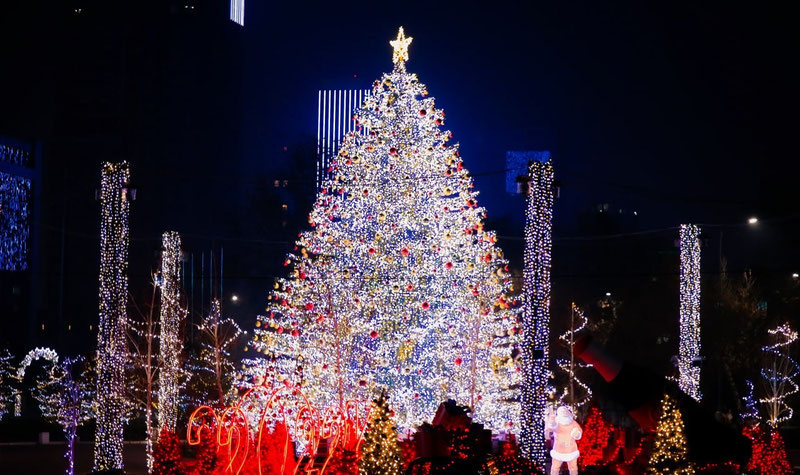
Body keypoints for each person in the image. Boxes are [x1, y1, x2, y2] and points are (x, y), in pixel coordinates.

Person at [548, 405, 582, 475]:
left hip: (571, 450)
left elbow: (579, 431)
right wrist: (552, 421)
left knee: (573, 468)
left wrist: (577, 434)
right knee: (555, 468)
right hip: (558, 450)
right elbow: (552, 427)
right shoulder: (557, 422)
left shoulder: (573, 423)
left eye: (565, 411)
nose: (564, 413)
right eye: (562, 411)